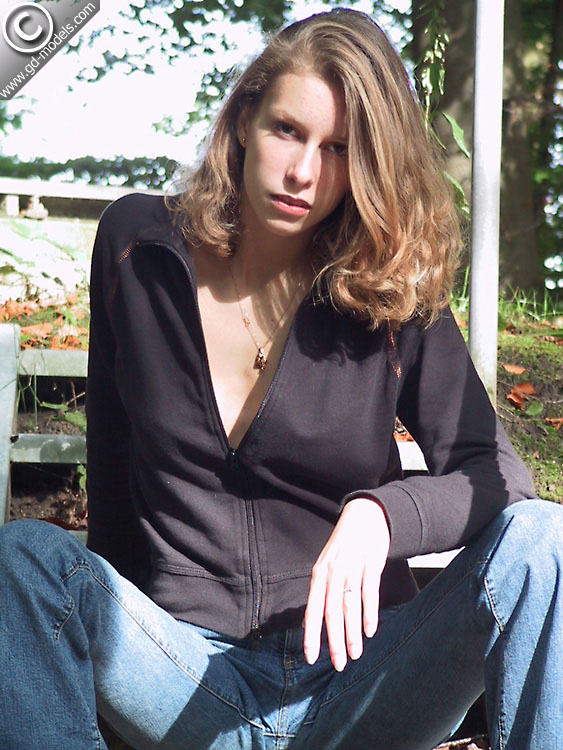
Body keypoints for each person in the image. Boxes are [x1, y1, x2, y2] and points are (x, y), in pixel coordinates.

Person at [1, 8, 561, 750]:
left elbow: (497, 474)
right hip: (189, 681)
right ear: (243, 121)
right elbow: (111, 477)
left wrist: (381, 516)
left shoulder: (390, 293)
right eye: (287, 131)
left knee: (542, 539)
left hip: (364, 683)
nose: (303, 172)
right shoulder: (137, 251)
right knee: (24, 560)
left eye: (337, 149)